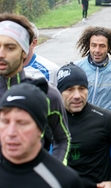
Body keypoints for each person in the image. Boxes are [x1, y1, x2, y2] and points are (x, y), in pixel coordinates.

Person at [0, 13, 70, 164]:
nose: (1, 54)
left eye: (10, 47)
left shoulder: (46, 93)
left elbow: (63, 139)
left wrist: (55, 173)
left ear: (24, 51)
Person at [57, 63, 111, 187]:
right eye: (70, 89)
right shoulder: (50, 121)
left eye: (82, 88)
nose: (77, 95)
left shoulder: (105, 119)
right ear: (59, 92)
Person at [0, 83, 83, 188]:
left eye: (22, 123)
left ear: (40, 129)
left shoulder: (64, 181)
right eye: (5, 122)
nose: (11, 133)